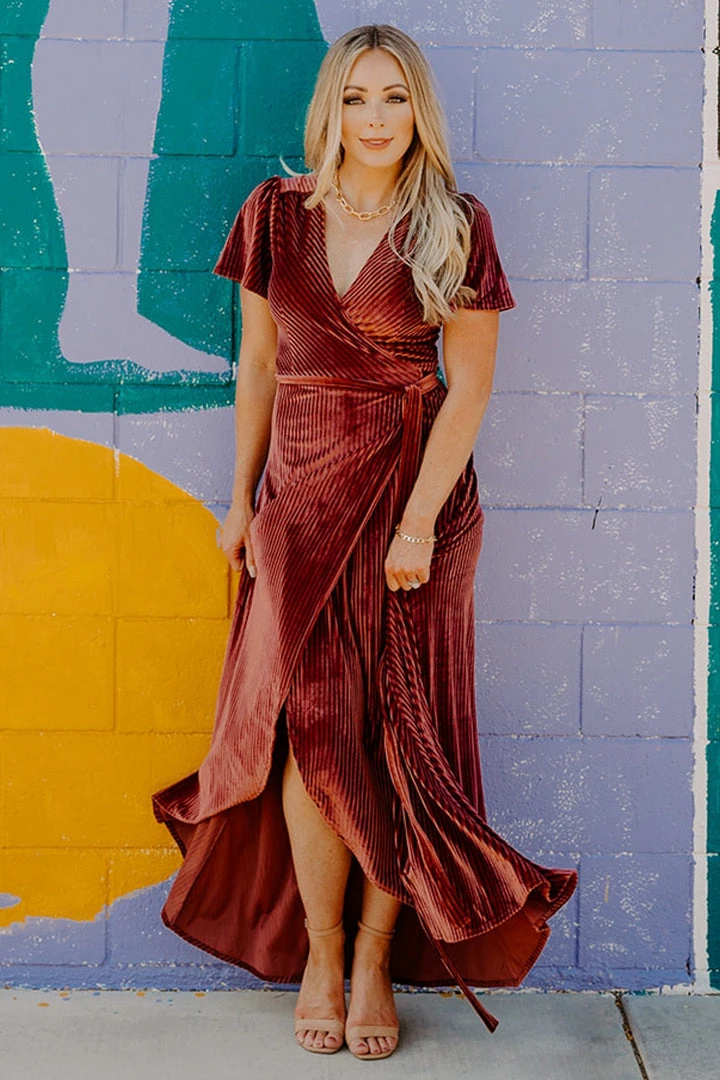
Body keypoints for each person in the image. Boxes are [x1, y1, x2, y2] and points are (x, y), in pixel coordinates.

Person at [151, 23, 577, 1062]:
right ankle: (324, 952)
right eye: (356, 98)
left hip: (412, 504)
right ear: (330, 109)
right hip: (299, 503)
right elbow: (259, 366)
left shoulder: (454, 224)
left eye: (393, 98)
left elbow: (468, 388)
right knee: (312, 734)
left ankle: (378, 959)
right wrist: (240, 499)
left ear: (418, 110)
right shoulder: (275, 213)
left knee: (396, 738)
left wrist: (420, 521)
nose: (375, 119)